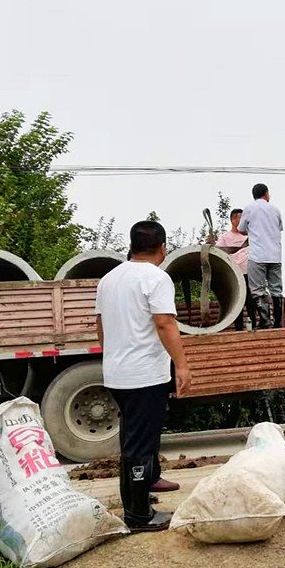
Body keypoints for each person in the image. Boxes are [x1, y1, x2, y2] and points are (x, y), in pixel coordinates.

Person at [95, 221, 191, 532]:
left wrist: (114, 355)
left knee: (135, 434)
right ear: (163, 247)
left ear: (132, 246)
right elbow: (164, 323)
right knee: (138, 443)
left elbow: (100, 327)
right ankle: (138, 515)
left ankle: (148, 480)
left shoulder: (109, 280)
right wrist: (183, 365)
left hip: (118, 372)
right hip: (144, 375)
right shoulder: (157, 278)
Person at [238, 183, 284, 329]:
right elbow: (280, 228)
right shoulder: (275, 209)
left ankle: (265, 320)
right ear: (266, 193)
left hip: (257, 256)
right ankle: (277, 322)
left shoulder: (249, 209)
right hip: (275, 256)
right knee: (276, 289)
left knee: (257, 290)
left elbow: (241, 229)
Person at [214, 208, 257, 331]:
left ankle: (254, 327)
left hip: (249, 273)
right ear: (233, 220)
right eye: (241, 219)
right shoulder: (225, 237)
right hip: (234, 274)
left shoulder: (250, 236)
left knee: (251, 301)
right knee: (237, 302)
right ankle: (238, 329)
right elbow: (217, 251)